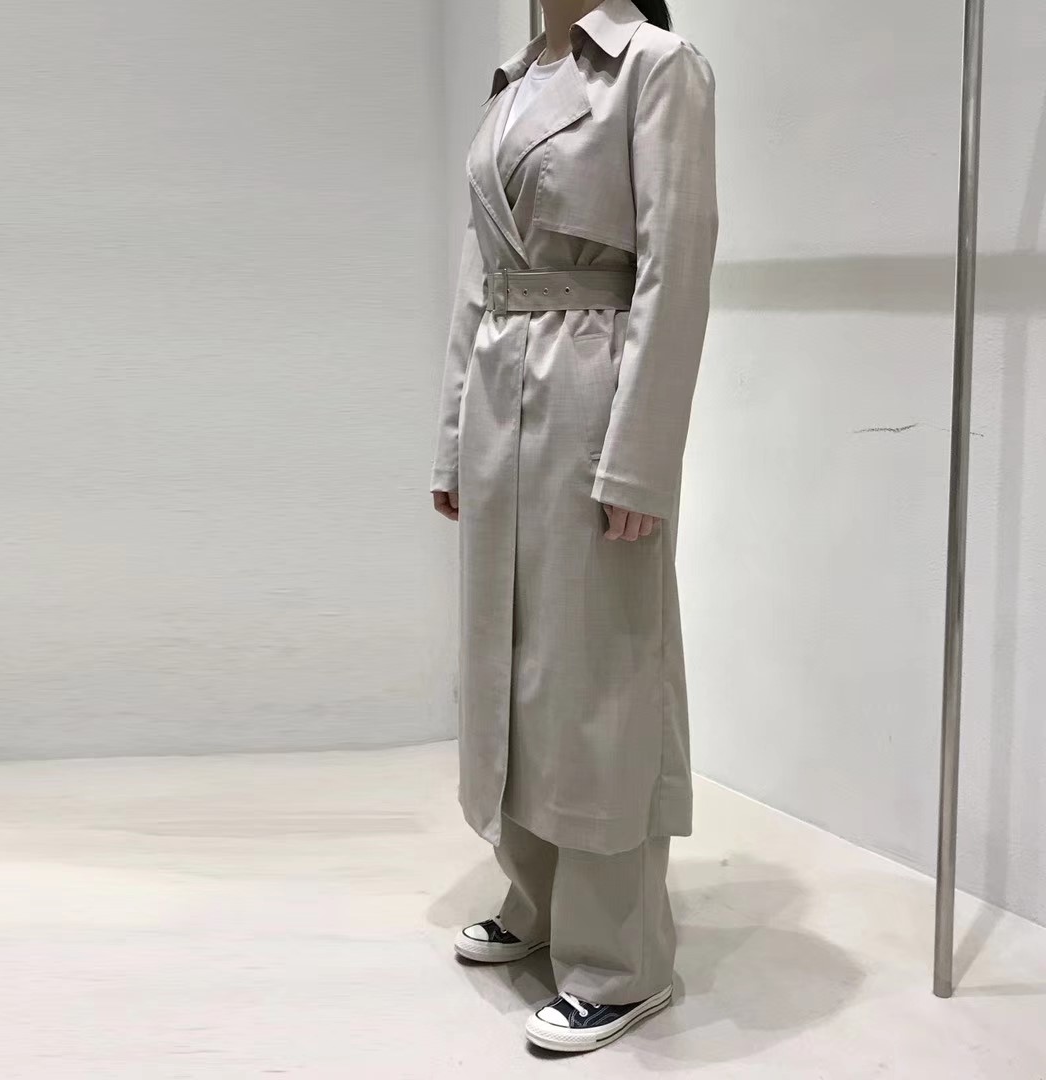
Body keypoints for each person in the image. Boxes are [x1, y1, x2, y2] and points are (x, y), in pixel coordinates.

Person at [429, 0, 718, 1054]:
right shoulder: (513, 82)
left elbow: (677, 267)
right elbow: (478, 279)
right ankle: (537, 894)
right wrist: (452, 437)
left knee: (598, 673)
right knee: (510, 661)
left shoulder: (658, 66)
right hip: (501, 390)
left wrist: (640, 459)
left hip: (592, 389)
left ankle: (621, 959)